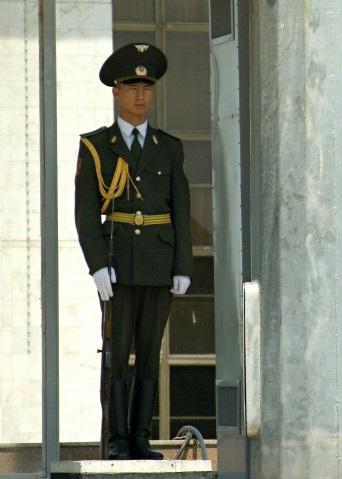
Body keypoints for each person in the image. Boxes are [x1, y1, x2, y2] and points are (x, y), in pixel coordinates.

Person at [75, 43, 193, 460]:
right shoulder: (96, 146)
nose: (141, 95)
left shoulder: (169, 146)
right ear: (116, 92)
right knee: (116, 353)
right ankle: (118, 439)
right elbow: (86, 213)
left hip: (159, 263)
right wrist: (97, 266)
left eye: (147, 87)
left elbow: (181, 207)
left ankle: (140, 438)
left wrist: (183, 265)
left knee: (148, 353)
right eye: (132, 86)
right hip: (118, 261)